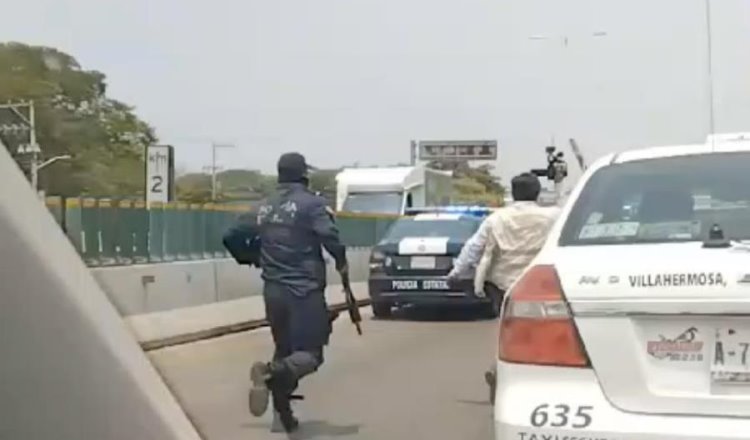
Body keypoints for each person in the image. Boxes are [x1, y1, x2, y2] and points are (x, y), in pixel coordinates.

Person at [223, 152, 348, 433]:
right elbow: (329, 236)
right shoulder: (311, 204)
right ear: (304, 174)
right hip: (304, 291)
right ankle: (269, 374)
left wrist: (251, 257)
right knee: (310, 355)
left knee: (284, 350)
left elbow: (230, 235)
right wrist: (341, 260)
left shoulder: (263, 206)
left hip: (273, 290)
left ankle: (283, 417)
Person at [447, 172, 559, 403]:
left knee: (507, 329)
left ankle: (501, 367)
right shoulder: (553, 217)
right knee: (546, 330)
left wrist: (456, 273)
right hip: (539, 282)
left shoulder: (496, 219)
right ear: (537, 192)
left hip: (502, 285)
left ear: (514, 192)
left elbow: (473, 249)